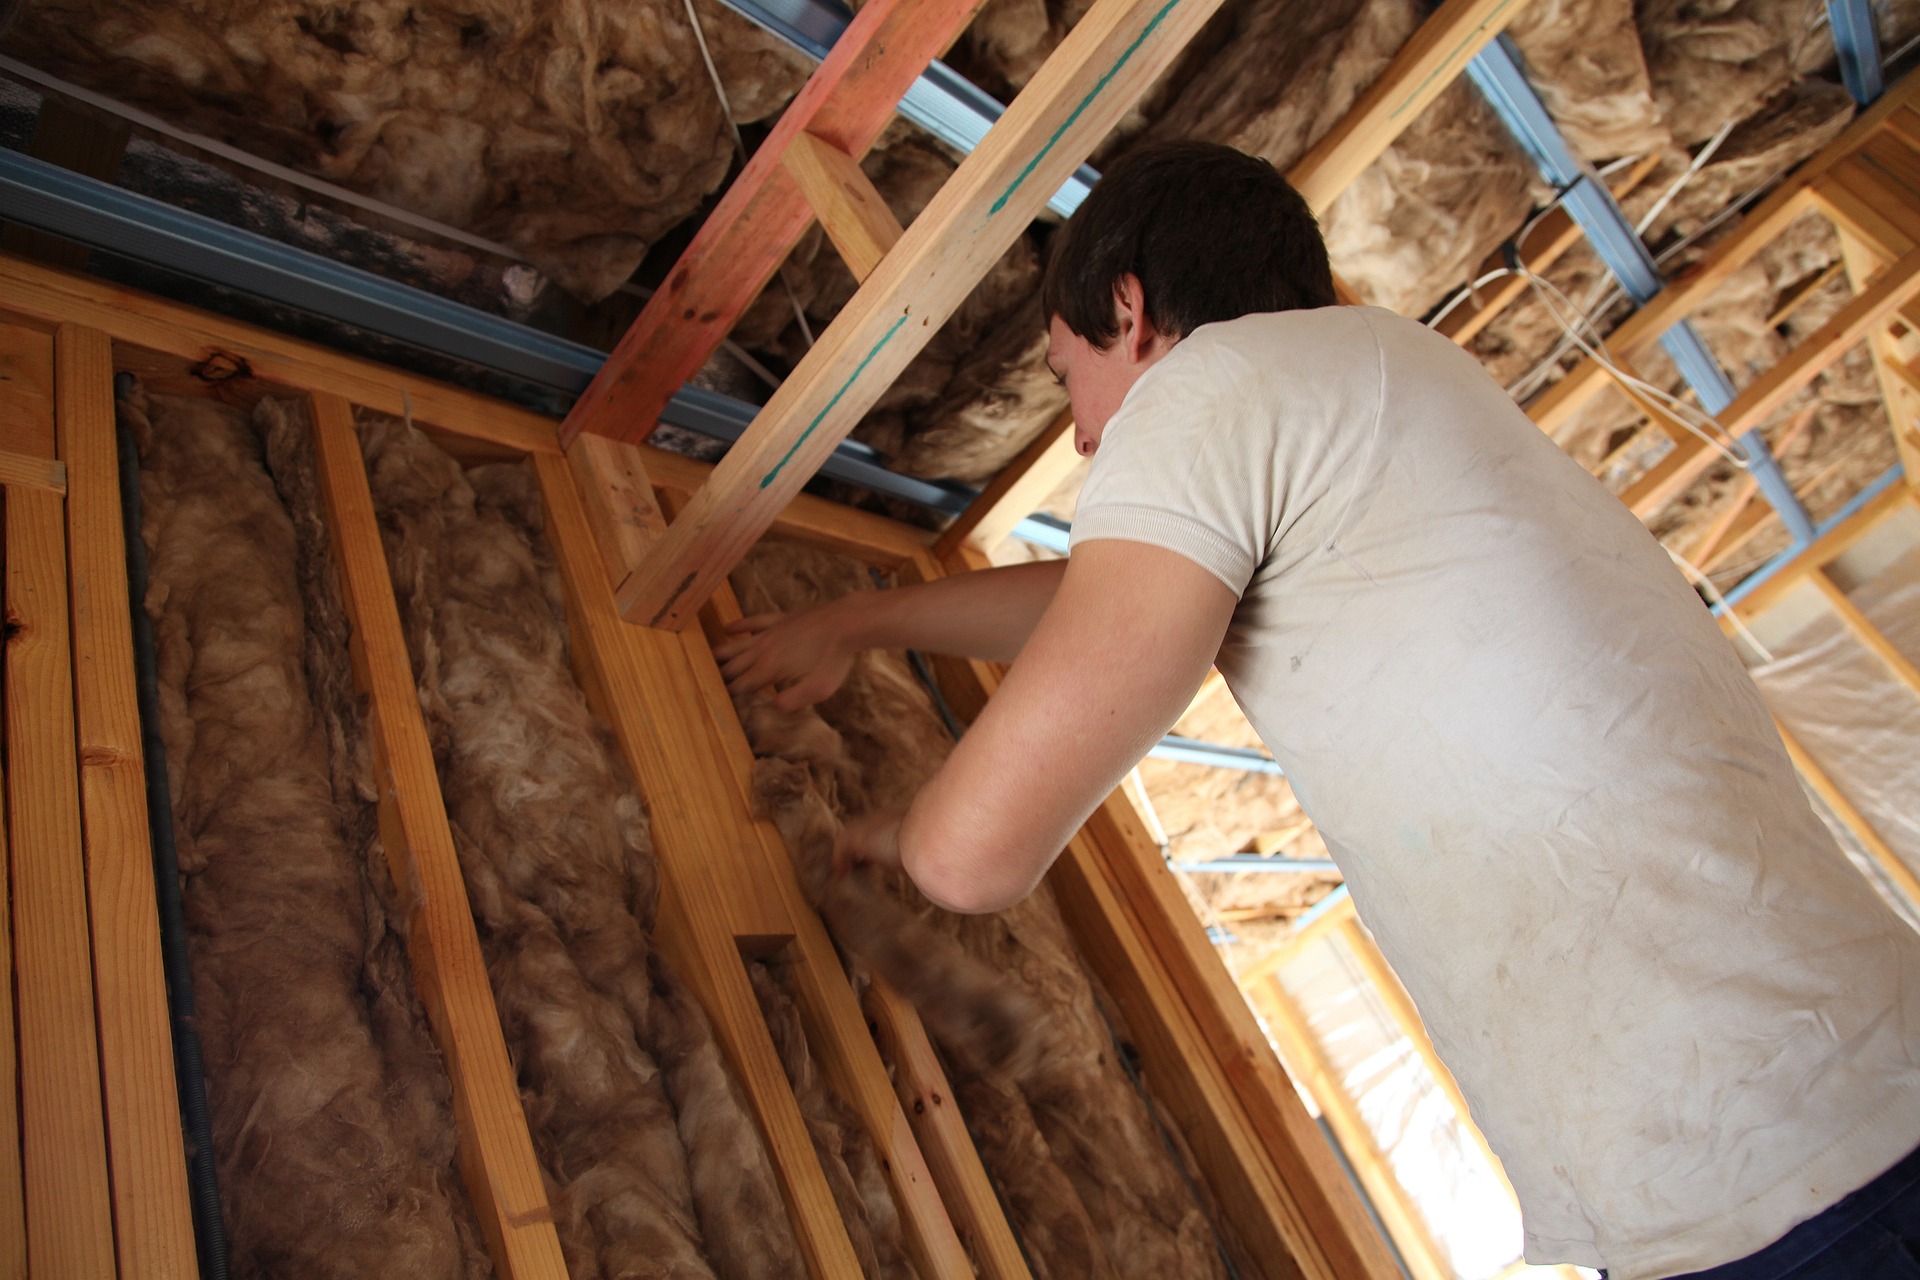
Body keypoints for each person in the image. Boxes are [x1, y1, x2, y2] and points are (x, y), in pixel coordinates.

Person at [713, 141, 1920, 1279]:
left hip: (1780, 1180)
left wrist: (900, 843)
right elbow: (1107, 600)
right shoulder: (1378, 386)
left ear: (1129, 312)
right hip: (1834, 1114)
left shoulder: (1205, 388)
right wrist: (860, 622)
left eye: (1066, 375)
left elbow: (971, 856)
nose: (1082, 432)